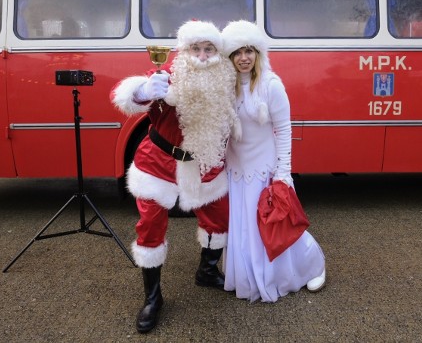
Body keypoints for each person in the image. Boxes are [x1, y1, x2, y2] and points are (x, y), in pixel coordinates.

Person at [110, 20, 237, 333]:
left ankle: (206, 272)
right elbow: (132, 99)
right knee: (150, 227)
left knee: (220, 218)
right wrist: (141, 91)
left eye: (209, 49)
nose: (203, 55)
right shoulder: (166, 76)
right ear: (185, 50)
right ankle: (153, 298)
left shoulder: (224, 81)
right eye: (196, 48)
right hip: (159, 163)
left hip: (204, 164)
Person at [221, 20, 326, 303]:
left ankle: (313, 264)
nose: (244, 58)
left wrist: (282, 173)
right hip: (237, 170)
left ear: (258, 53)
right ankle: (249, 277)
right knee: (245, 229)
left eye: (249, 51)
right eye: (237, 53)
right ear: (229, 57)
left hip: (264, 171)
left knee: (277, 227)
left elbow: (284, 130)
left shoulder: (271, 84)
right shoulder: (225, 87)